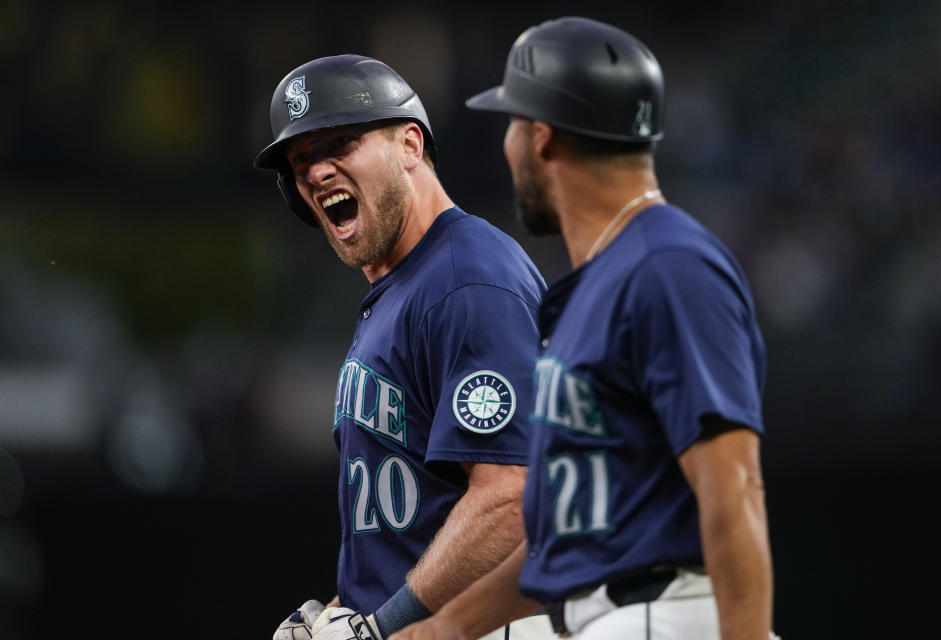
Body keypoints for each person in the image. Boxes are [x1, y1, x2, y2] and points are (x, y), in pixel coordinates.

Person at [390, 16, 776, 640]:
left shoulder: (668, 266)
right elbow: (561, 545)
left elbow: (733, 489)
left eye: (513, 123)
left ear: (541, 137)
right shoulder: (602, 281)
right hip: (599, 613)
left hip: (661, 613)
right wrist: (447, 627)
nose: (507, 143)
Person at [253, 55, 554, 640]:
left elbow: (512, 500)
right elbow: (413, 522)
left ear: (410, 145)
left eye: (339, 143)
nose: (316, 172)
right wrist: (345, 612)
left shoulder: (467, 281)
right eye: (301, 160)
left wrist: (381, 627)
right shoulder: (403, 288)